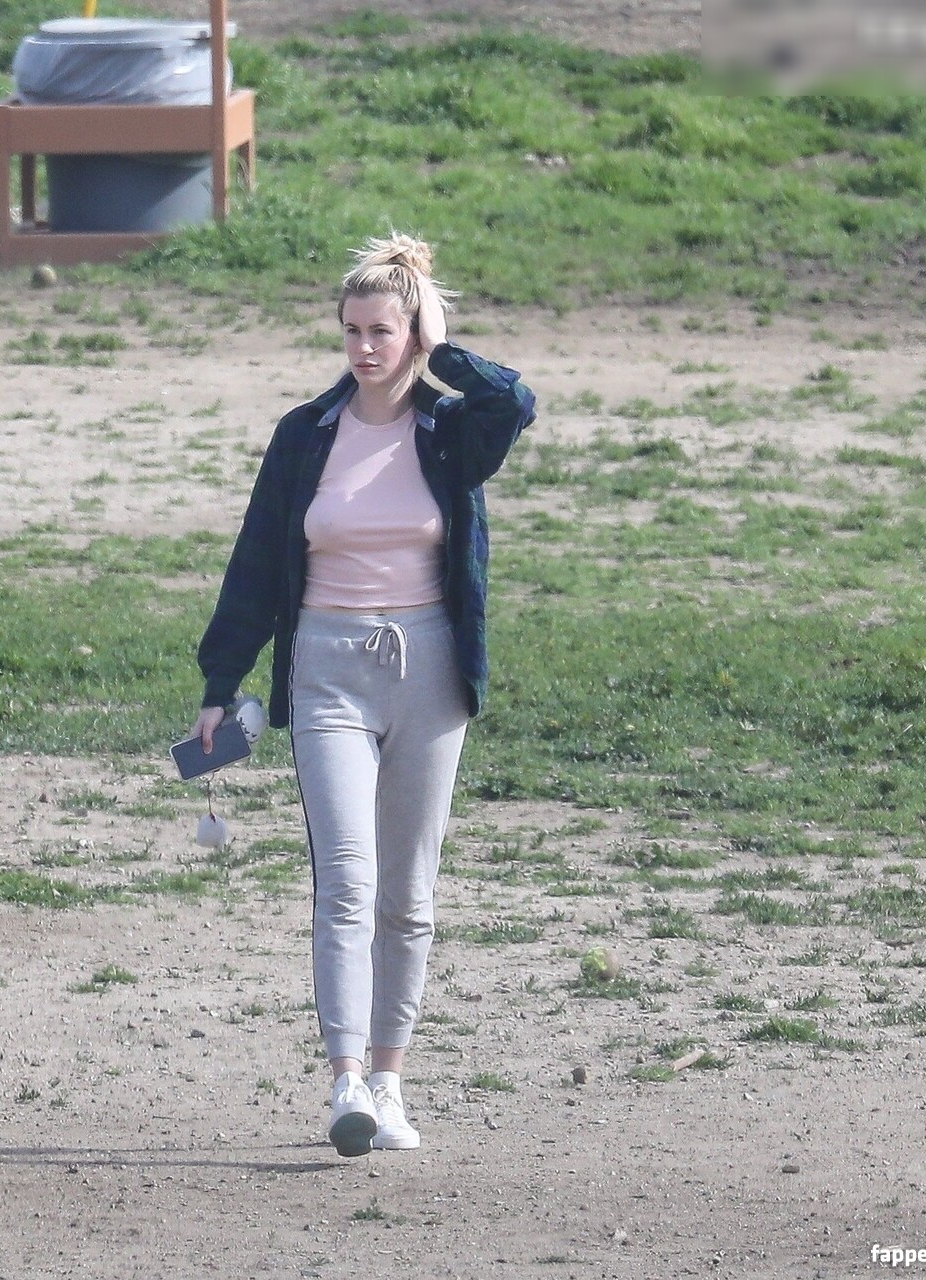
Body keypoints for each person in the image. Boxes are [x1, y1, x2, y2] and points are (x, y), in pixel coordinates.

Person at [190, 232, 535, 1157]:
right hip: (327, 669)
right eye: (352, 330)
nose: (364, 348)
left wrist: (445, 349)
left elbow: (514, 402)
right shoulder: (305, 434)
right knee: (347, 881)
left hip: (429, 673)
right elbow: (256, 563)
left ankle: (389, 1081)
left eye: (383, 330)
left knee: (408, 897)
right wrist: (222, 681)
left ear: (414, 332)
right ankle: (345, 1081)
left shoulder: (449, 431)